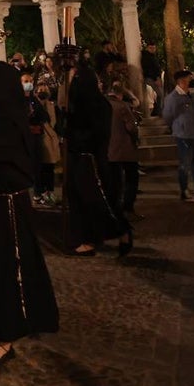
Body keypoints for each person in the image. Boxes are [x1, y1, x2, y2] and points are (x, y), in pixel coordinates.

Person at [0, 62, 59, 369]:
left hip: (3, 208)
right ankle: (22, 318)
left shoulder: (3, 125)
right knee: (3, 269)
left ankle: (7, 335)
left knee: (7, 270)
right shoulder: (4, 120)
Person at [64, 65, 132, 256]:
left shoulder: (94, 106)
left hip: (88, 159)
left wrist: (71, 132)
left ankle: (120, 231)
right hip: (85, 158)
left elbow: (91, 134)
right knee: (85, 201)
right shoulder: (87, 104)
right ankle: (87, 239)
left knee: (96, 201)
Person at [162, 70, 194, 201]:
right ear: (181, 81)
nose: (191, 81)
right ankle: (184, 191)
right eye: (189, 79)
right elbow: (167, 116)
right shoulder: (173, 98)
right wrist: (178, 126)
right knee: (185, 164)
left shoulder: (191, 95)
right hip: (183, 135)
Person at [106, 84, 141, 220]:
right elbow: (131, 127)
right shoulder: (121, 106)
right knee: (131, 178)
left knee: (114, 181)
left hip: (109, 149)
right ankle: (128, 208)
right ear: (120, 95)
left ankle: (114, 209)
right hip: (125, 148)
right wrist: (136, 138)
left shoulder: (102, 106)